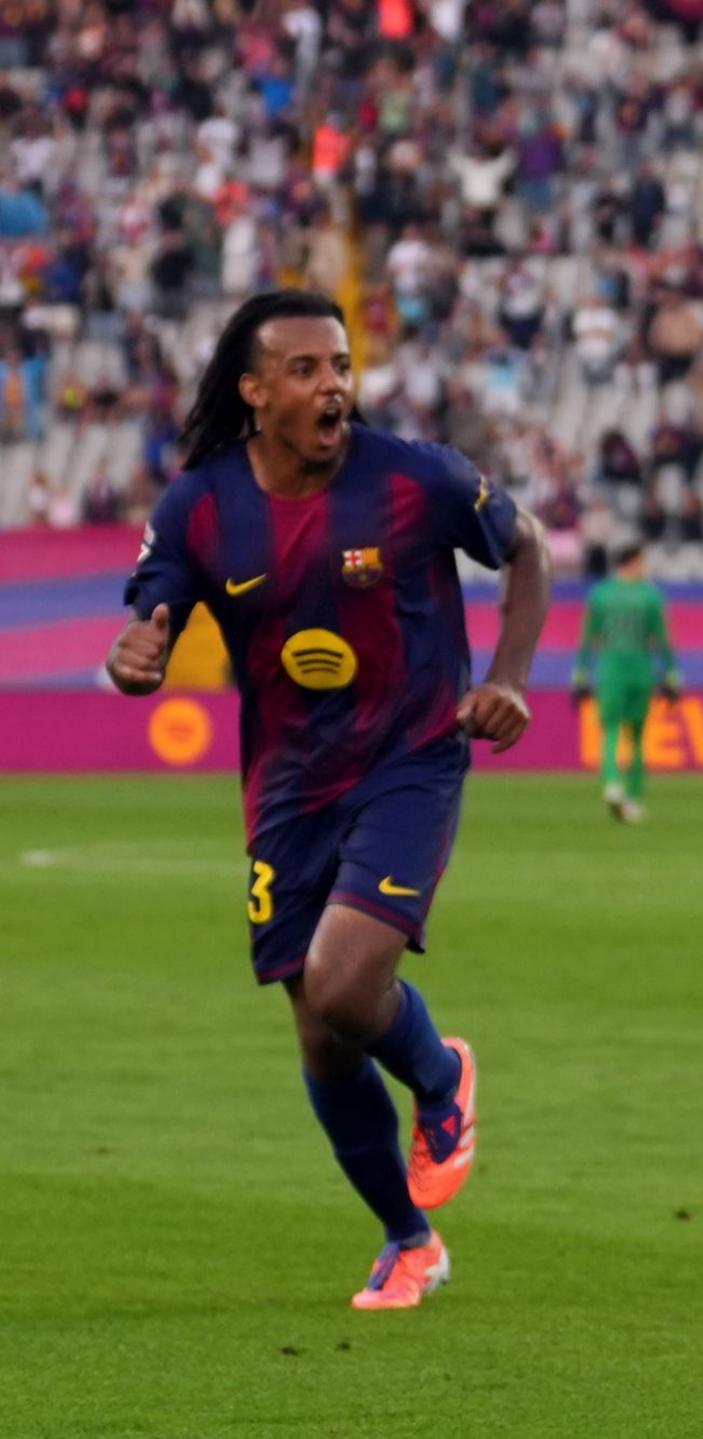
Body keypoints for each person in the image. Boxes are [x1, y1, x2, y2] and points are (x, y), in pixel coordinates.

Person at [105, 290, 551, 1310]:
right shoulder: (202, 505)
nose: (333, 385)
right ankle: (408, 1238)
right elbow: (152, 618)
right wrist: (141, 654)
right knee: (318, 1033)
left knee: (349, 988)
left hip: (410, 757)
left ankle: (440, 1074)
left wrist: (510, 674)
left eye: (341, 364)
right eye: (305, 369)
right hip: (289, 787)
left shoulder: (416, 476)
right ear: (255, 392)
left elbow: (525, 545)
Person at [571, 544, 680, 822]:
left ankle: (612, 784)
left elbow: (588, 639)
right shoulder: (650, 596)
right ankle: (632, 799)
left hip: (611, 672)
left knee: (610, 733)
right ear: (634, 562)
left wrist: (581, 674)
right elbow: (661, 641)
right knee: (638, 738)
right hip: (641, 673)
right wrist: (671, 674)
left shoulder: (600, 595)